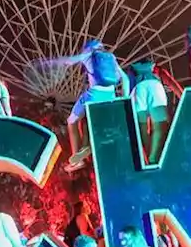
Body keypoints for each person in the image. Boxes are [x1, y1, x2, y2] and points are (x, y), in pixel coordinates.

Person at [37, 39, 131, 172]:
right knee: (97, 125)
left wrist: (49, 63)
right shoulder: (111, 58)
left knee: (72, 122)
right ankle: (97, 145)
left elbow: (69, 61)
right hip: (111, 95)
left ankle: (78, 161)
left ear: (88, 48)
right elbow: (125, 78)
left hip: (93, 96)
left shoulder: (88, 55)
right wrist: (123, 100)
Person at [128, 59, 170, 165]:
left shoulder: (131, 70)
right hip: (156, 87)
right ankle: (154, 158)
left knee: (142, 128)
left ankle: (146, 159)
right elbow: (170, 82)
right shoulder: (156, 69)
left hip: (137, 89)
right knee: (160, 127)